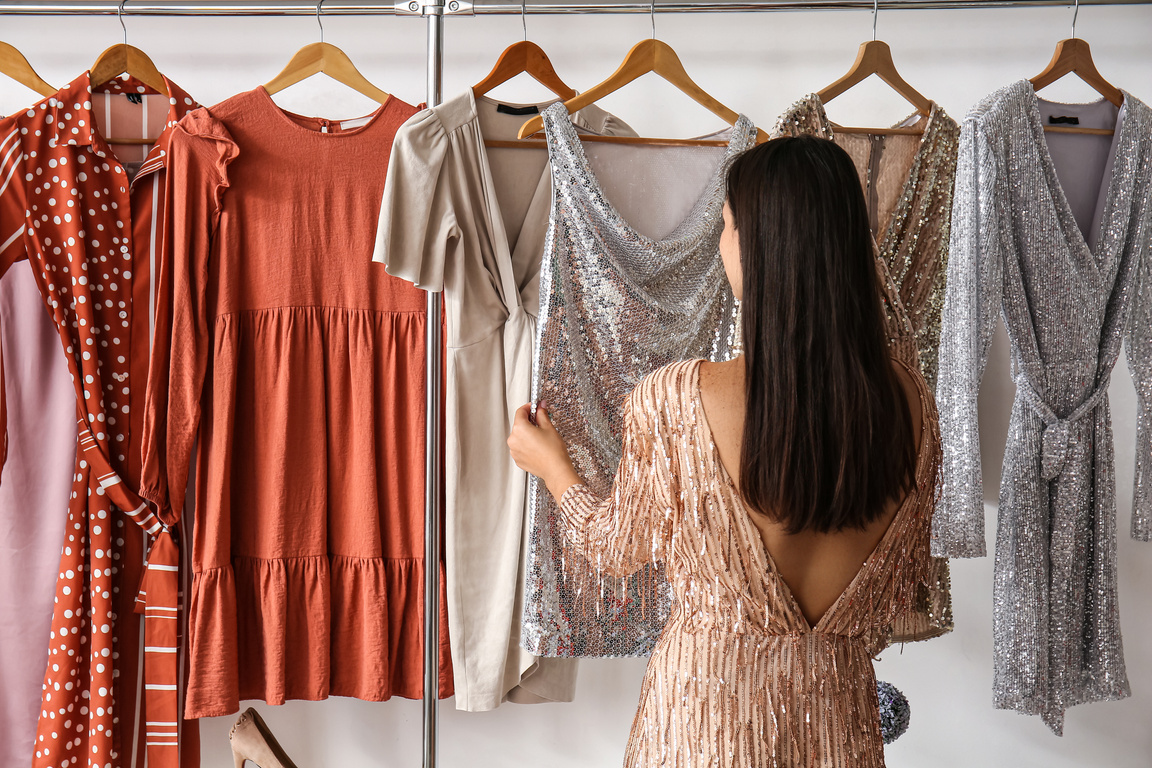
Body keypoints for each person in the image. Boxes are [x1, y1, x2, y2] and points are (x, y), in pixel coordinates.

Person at [507, 135, 941, 768]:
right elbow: (903, 584)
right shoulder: (913, 405)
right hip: (839, 733)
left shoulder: (680, 400)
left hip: (705, 728)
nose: (720, 244)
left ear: (759, 247)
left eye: (726, 226)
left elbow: (612, 550)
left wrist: (553, 468)